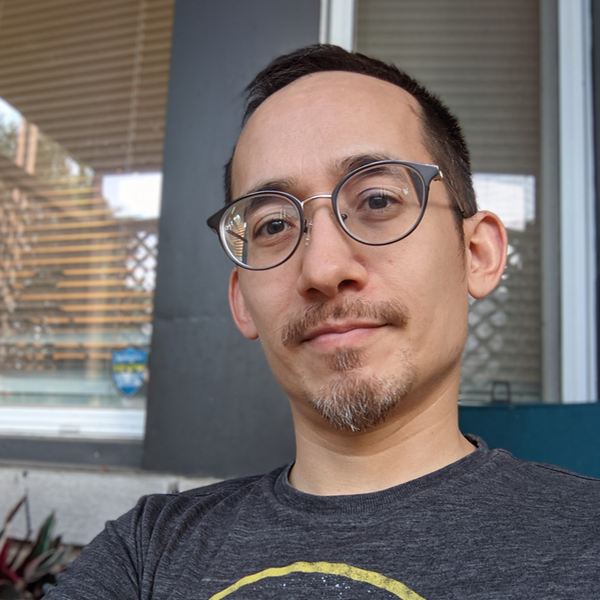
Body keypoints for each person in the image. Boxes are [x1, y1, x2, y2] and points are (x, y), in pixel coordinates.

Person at [47, 45, 600, 600]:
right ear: (242, 301)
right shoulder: (145, 553)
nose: (323, 267)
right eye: (272, 226)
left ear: (476, 252)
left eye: (378, 199)